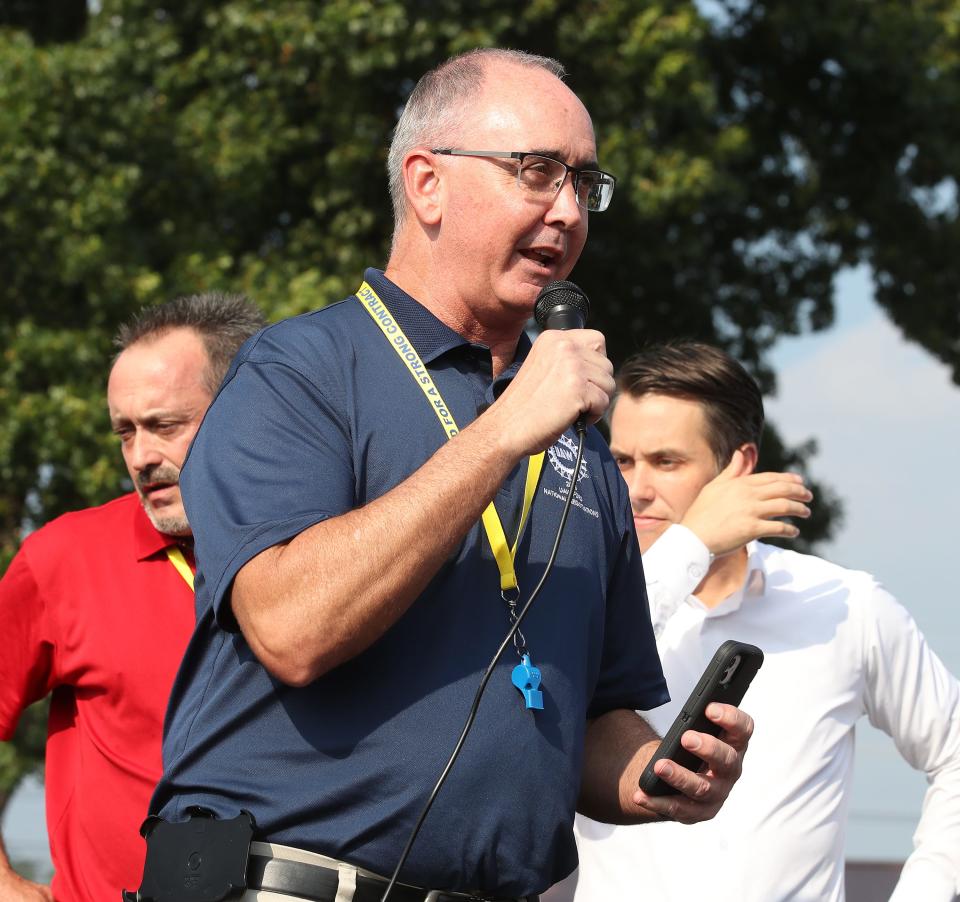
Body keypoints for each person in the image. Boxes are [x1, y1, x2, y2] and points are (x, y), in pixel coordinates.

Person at [147, 49, 754, 902]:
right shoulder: (302, 369)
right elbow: (291, 626)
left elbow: (590, 723)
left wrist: (660, 772)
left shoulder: (577, 435)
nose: (569, 211)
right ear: (426, 183)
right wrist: (503, 431)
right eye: (537, 172)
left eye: (586, 182)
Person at [550, 341, 960, 902]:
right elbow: (566, 675)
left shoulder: (846, 603)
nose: (635, 488)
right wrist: (690, 545)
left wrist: (928, 892)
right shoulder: (572, 599)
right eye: (622, 461)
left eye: (666, 462)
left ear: (737, 466)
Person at [0, 293, 265, 902]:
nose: (141, 457)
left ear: (248, 409)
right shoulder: (64, 557)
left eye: (165, 426)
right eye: (126, 431)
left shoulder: (324, 547)